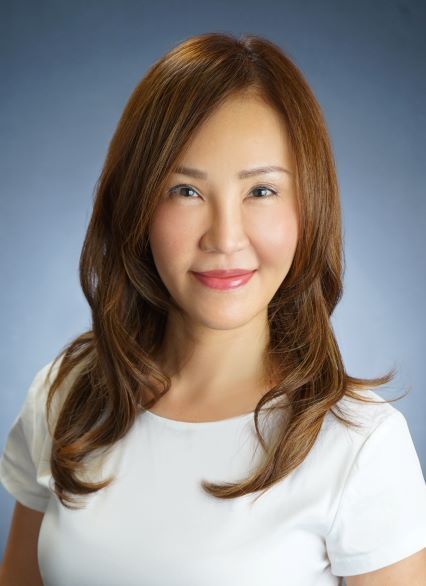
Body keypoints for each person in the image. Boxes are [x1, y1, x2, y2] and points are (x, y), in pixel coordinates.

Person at [0, 32, 425, 586]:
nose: (225, 238)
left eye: (262, 191)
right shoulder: (67, 393)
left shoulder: (361, 443)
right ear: (138, 204)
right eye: (186, 191)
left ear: (308, 207)